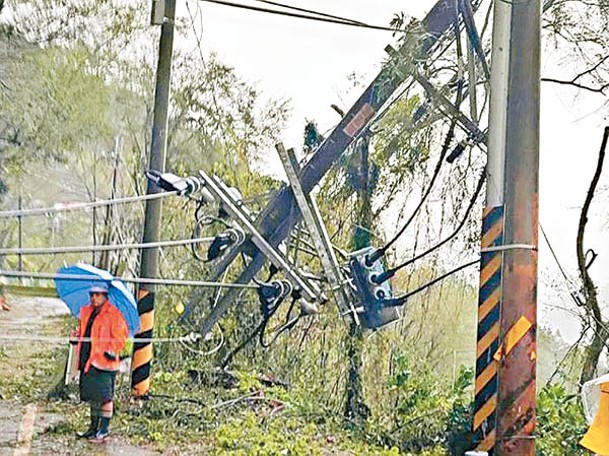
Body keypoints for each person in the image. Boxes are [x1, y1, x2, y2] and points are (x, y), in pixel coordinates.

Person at [71, 284, 129, 443]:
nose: (94, 298)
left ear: (105, 296)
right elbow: (85, 332)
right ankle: (93, 428)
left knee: (105, 397)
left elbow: (120, 338)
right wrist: (77, 336)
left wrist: (108, 350)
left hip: (104, 363)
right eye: (92, 294)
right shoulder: (87, 312)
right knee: (93, 397)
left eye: (98, 294)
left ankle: (103, 431)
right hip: (89, 361)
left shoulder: (114, 315)